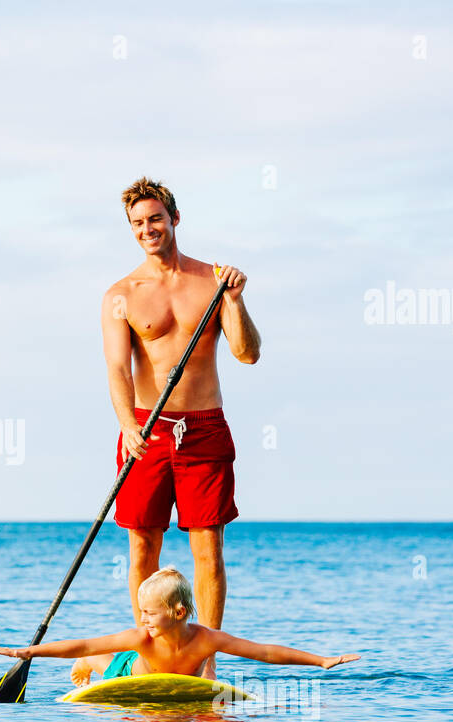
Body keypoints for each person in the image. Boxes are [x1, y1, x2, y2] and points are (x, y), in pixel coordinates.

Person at [101, 177, 262, 681]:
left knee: (208, 548)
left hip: (204, 429)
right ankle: (151, 655)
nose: (147, 229)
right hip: (145, 430)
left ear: (174, 219)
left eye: (154, 219)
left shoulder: (213, 281)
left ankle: (203, 660)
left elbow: (248, 353)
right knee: (142, 546)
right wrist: (128, 426)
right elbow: (118, 371)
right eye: (137, 223)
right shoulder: (121, 295)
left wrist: (233, 300)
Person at [0, 568, 359, 687]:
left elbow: (263, 652)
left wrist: (321, 661)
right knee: (102, 661)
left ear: (179, 612)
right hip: (128, 675)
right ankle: (95, 669)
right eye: (141, 612)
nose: (143, 619)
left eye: (150, 612)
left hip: (176, 680)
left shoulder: (206, 639)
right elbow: (83, 644)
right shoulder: (141, 637)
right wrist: (28, 652)